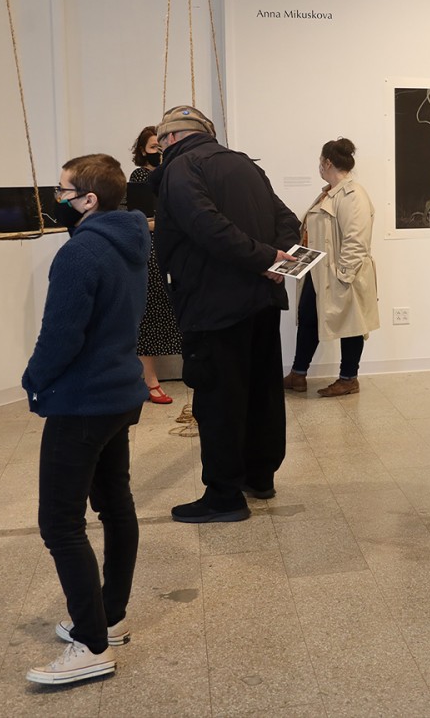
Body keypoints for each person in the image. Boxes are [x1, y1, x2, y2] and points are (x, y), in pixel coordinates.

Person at [21, 153, 149, 685]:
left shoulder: (79, 253)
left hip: (82, 401)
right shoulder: (132, 238)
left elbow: (61, 336)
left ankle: (92, 645)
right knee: (115, 505)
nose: (57, 200)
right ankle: (108, 618)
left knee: (60, 521)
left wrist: (34, 379)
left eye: (63, 191)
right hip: (119, 392)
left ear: (88, 200)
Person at [151, 105, 302, 523]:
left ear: (170, 140)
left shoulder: (182, 169)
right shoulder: (245, 167)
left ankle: (223, 498)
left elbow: (207, 226)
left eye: (160, 143)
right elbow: (287, 219)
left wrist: (264, 259)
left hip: (214, 305)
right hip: (260, 302)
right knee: (260, 394)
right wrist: (277, 260)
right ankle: (260, 477)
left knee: (218, 401)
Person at [282, 138, 380, 397]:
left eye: (320, 162)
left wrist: (343, 276)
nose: (319, 167)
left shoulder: (352, 195)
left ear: (327, 162)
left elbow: (356, 240)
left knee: (352, 324)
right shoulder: (329, 192)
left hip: (343, 274)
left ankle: (349, 378)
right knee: (308, 318)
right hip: (318, 272)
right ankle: (298, 374)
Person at [128, 126, 183, 406]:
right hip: (150, 254)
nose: (158, 152)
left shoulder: (173, 175)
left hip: (168, 251)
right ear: (142, 151)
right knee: (149, 316)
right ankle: (149, 380)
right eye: (152, 148)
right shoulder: (141, 177)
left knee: (166, 312)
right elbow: (140, 219)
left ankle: (150, 379)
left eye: (160, 147)